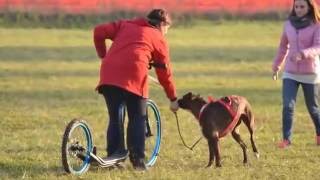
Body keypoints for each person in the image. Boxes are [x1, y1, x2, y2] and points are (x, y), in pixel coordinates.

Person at [93, 9, 179, 170]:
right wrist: (173, 98)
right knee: (138, 117)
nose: (167, 32)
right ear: (162, 24)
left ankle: (114, 157)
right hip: (135, 76)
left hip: (109, 75)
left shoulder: (125, 25)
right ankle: (138, 161)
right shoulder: (158, 38)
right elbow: (164, 73)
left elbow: (99, 31)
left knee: (115, 118)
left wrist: (103, 56)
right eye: (168, 27)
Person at [272, 0, 320, 148]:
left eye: (302, 7)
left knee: (312, 108)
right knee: (288, 105)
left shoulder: (316, 25)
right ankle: (287, 140)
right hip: (290, 72)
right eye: (296, 6)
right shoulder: (288, 24)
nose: (298, 9)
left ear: (309, 7)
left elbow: (318, 46)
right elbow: (283, 47)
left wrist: (303, 54)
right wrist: (276, 66)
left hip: (310, 73)